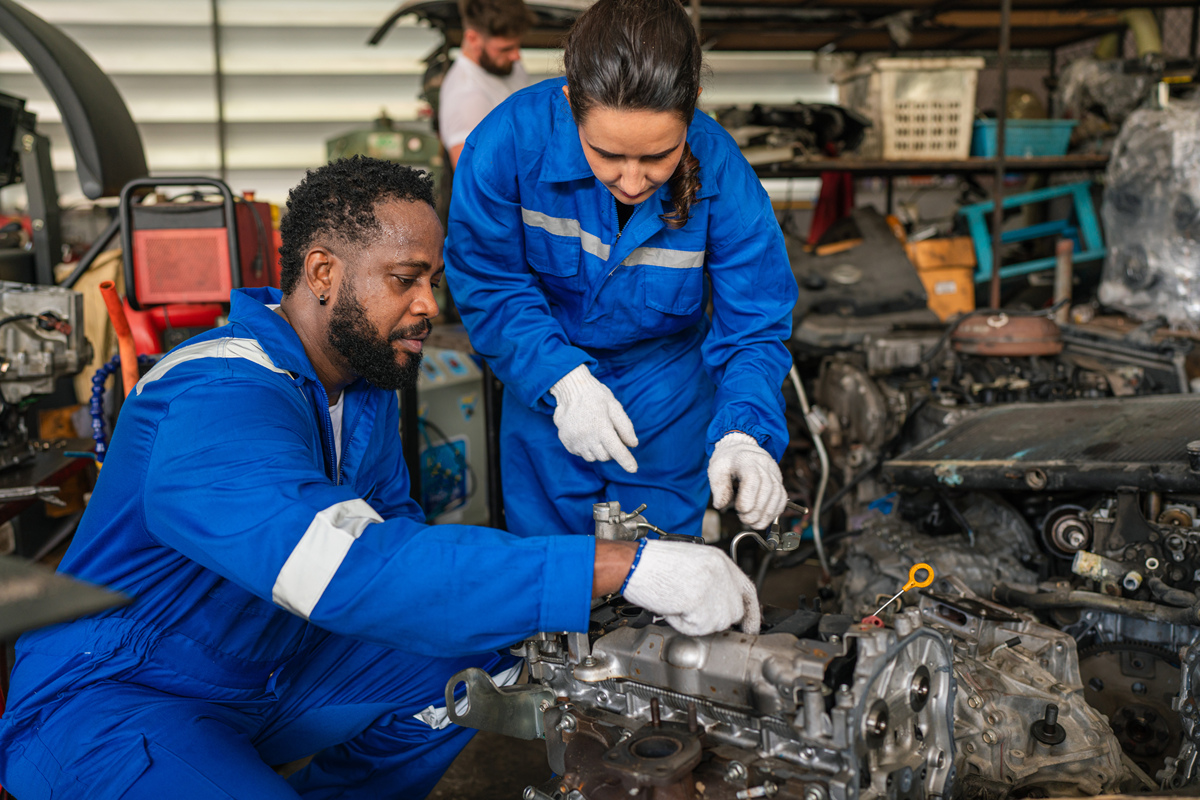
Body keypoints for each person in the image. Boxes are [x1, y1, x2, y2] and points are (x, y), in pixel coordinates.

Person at [0, 157, 761, 800]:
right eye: (405, 279)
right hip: (118, 696)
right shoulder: (215, 396)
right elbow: (348, 571)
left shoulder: (359, 395)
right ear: (323, 273)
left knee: (485, 651)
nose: (430, 305)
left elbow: (402, 554)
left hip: (270, 673)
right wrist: (621, 566)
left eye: (433, 278)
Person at [444, 0, 799, 543]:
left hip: (668, 399)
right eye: (606, 153)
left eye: (658, 156)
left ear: (692, 105)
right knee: (550, 575)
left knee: (662, 578)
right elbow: (489, 281)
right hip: (545, 385)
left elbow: (753, 326)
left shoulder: (725, 173)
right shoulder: (506, 147)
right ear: (570, 103)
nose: (632, 181)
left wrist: (743, 434)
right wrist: (563, 382)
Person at [438, 0, 531, 169]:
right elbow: (473, 180)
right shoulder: (466, 96)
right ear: (472, 39)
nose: (516, 56)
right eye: (506, 48)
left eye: (518, 45)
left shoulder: (505, 64)